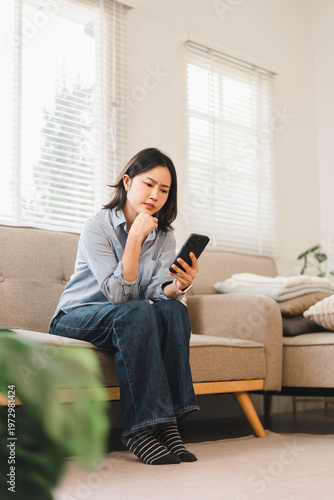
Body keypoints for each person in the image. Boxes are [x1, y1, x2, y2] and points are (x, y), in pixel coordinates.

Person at [49, 147, 200, 465]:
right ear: (127, 181)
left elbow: (156, 292)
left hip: (126, 315)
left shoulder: (163, 237)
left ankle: (168, 422)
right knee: (137, 311)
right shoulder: (97, 227)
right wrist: (133, 241)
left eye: (164, 189)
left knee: (173, 310)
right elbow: (118, 294)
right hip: (77, 315)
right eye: (149, 184)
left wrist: (179, 285)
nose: (155, 195)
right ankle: (140, 430)